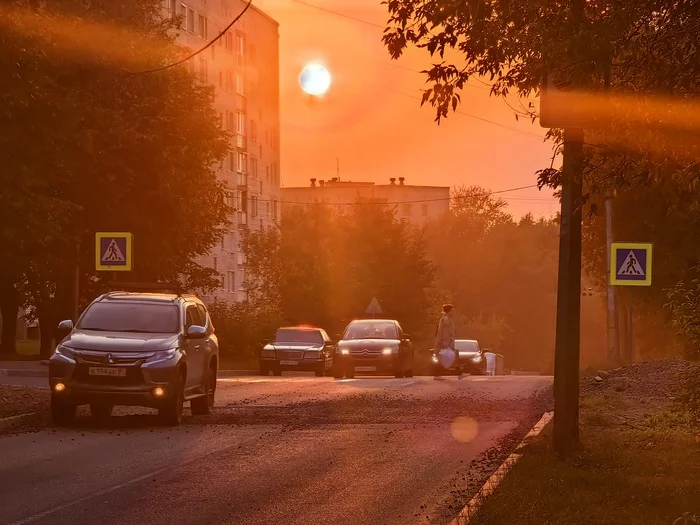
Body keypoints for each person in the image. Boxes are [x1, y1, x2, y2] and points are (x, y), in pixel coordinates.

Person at [434, 304, 466, 380]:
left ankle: (459, 373)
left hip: (448, 342)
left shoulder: (447, 319)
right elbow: (442, 332)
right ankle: (459, 373)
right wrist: (443, 342)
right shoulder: (445, 320)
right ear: (449, 311)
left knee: (449, 357)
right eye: (452, 310)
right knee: (447, 358)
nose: (453, 312)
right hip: (446, 343)